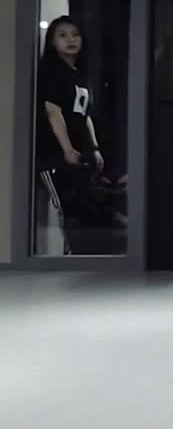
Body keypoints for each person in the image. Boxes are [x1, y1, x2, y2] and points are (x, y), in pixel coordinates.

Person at [35, 16, 105, 255]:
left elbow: (85, 115)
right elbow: (53, 112)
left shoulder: (79, 74)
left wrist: (94, 148)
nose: (70, 40)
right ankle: (68, 256)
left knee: (84, 205)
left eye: (75, 34)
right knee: (64, 207)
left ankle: (82, 253)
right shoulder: (51, 72)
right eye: (63, 35)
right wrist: (66, 149)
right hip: (54, 153)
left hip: (79, 150)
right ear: (52, 41)